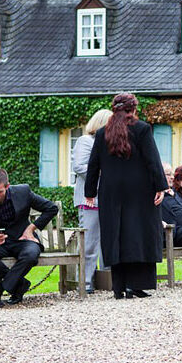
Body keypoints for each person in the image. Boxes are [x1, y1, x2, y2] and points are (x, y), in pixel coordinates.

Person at [84, 92, 168, 299]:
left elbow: (93, 165)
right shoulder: (142, 129)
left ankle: (119, 287)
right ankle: (135, 285)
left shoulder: (103, 132)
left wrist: (90, 192)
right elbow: (153, 161)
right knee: (138, 235)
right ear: (133, 109)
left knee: (116, 235)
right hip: (140, 191)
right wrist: (161, 187)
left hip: (110, 192)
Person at [0, 168, 59, 307]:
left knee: (31, 254)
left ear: (7, 186)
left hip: (23, 240)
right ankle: (19, 284)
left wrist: (31, 228)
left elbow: (51, 208)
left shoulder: (23, 192)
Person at [72, 108, 112, 294]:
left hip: (108, 199)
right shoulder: (85, 141)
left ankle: (107, 279)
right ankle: (86, 282)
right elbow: (80, 167)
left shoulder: (111, 143)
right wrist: (107, 171)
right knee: (89, 243)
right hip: (90, 200)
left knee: (108, 242)